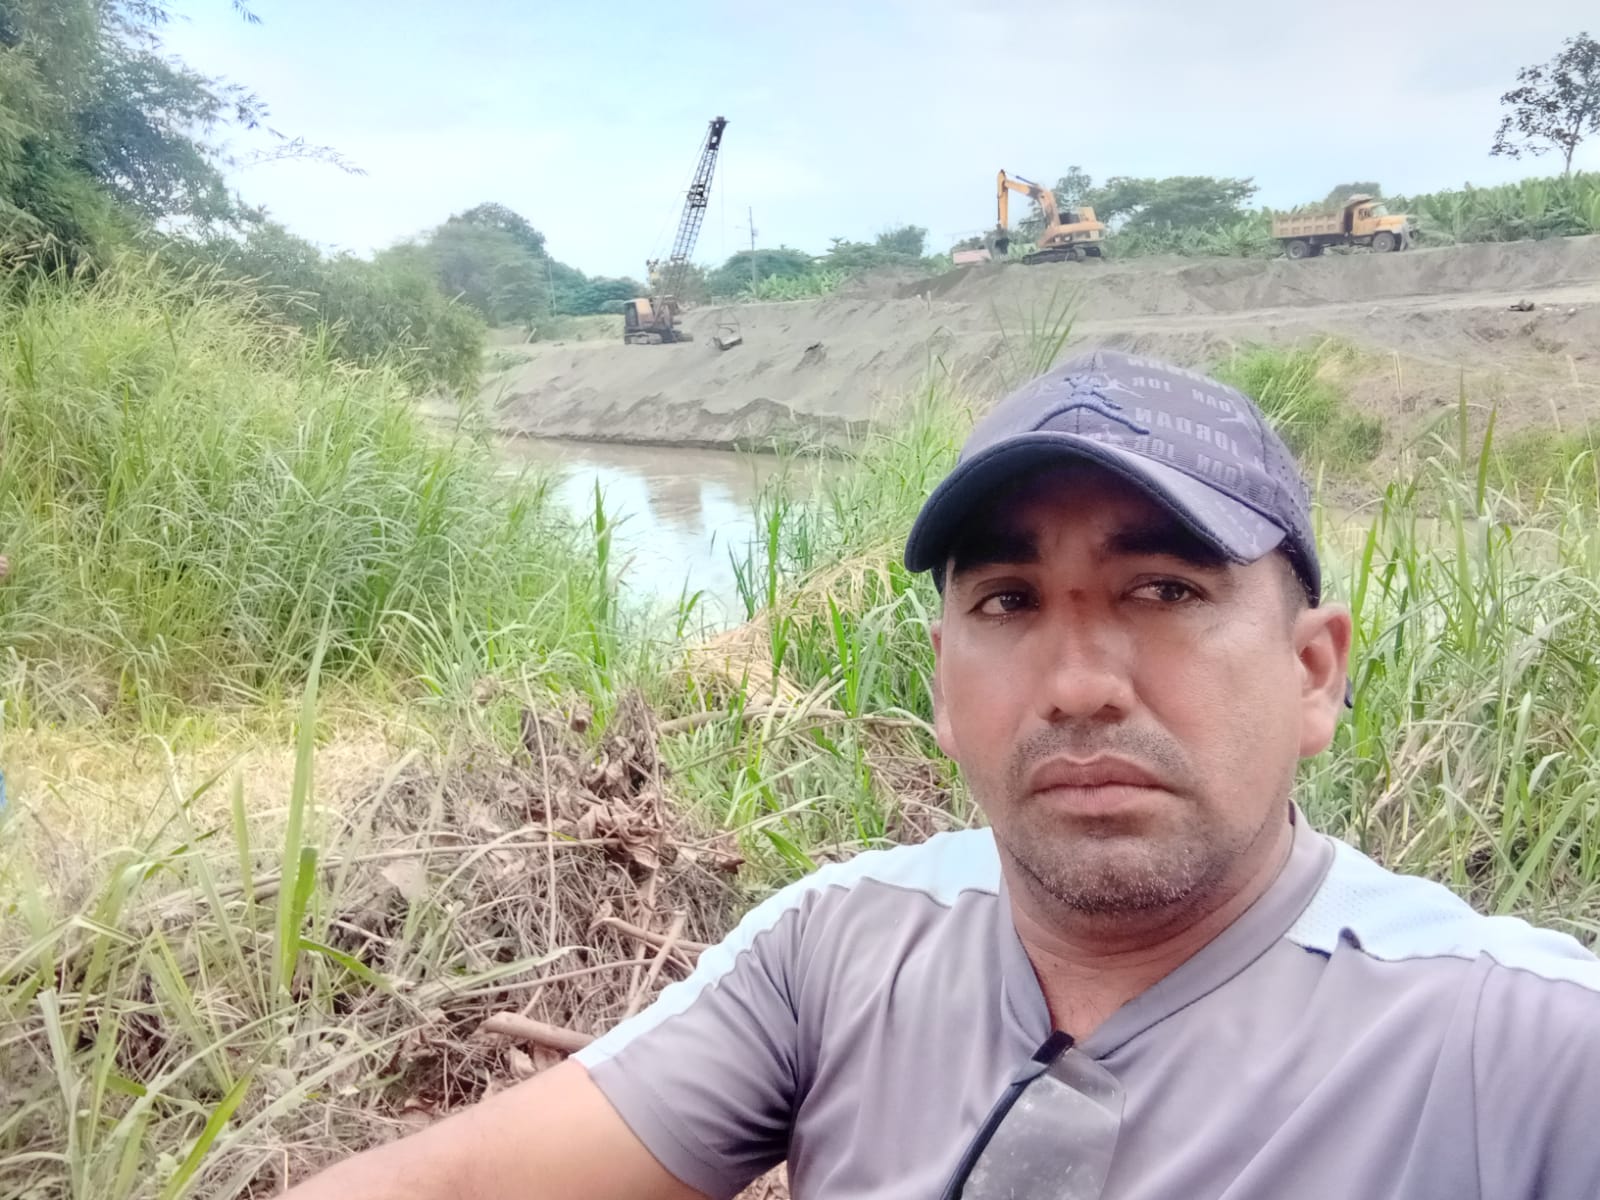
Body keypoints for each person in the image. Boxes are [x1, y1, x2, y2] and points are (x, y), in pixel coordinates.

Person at [284, 350, 1600, 1200]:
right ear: (940, 684)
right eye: (1010, 601)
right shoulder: (839, 949)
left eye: (1162, 589)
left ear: (1314, 672)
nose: (1078, 682)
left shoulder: (1523, 1050)